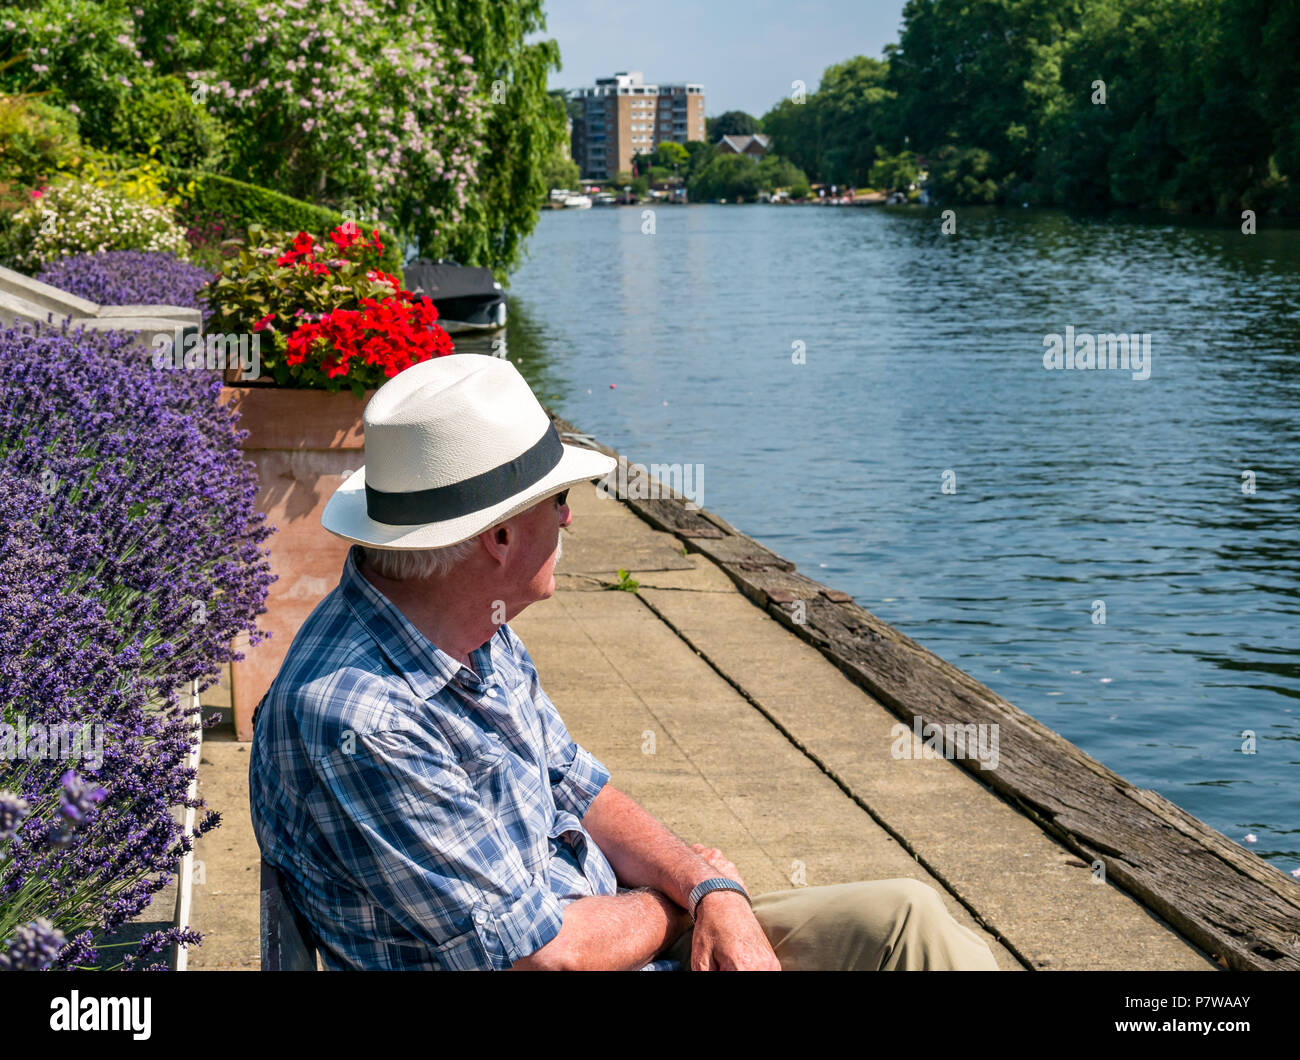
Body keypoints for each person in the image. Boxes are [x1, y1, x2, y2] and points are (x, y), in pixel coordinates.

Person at [248, 354, 1001, 972]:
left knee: (910, 919)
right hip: (597, 951)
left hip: (627, 934)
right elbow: (541, 955)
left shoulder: (465, 626)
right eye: (559, 499)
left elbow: (579, 785)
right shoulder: (361, 718)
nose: (572, 516)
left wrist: (707, 887)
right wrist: (682, 906)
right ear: (499, 539)